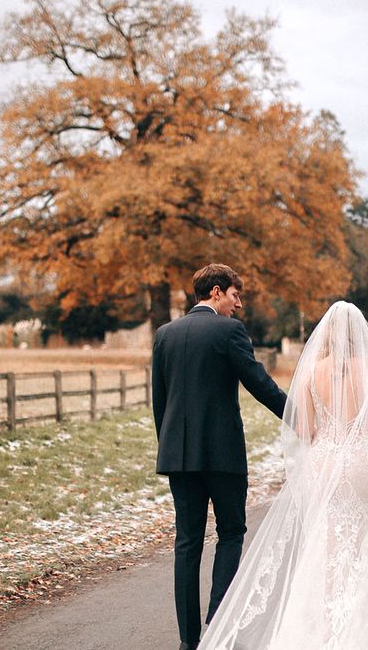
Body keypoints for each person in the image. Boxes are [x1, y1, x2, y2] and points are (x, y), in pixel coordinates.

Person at [199, 301, 368, 649]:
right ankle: (353, 630)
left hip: (324, 463)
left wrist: (327, 439)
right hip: (361, 464)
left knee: (324, 546)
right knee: (360, 546)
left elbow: (304, 428)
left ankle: (321, 627)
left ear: (326, 334)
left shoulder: (313, 370)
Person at [151, 263, 288, 650]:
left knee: (187, 542)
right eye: (234, 295)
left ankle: (187, 642)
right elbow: (260, 384)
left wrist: (171, 447)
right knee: (231, 533)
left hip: (179, 456)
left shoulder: (165, 334)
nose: (238, 304)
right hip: (224, 456)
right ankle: (218, 622)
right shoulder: (229, 331)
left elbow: (159, 402)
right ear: (215, 292)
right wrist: (300, 417)